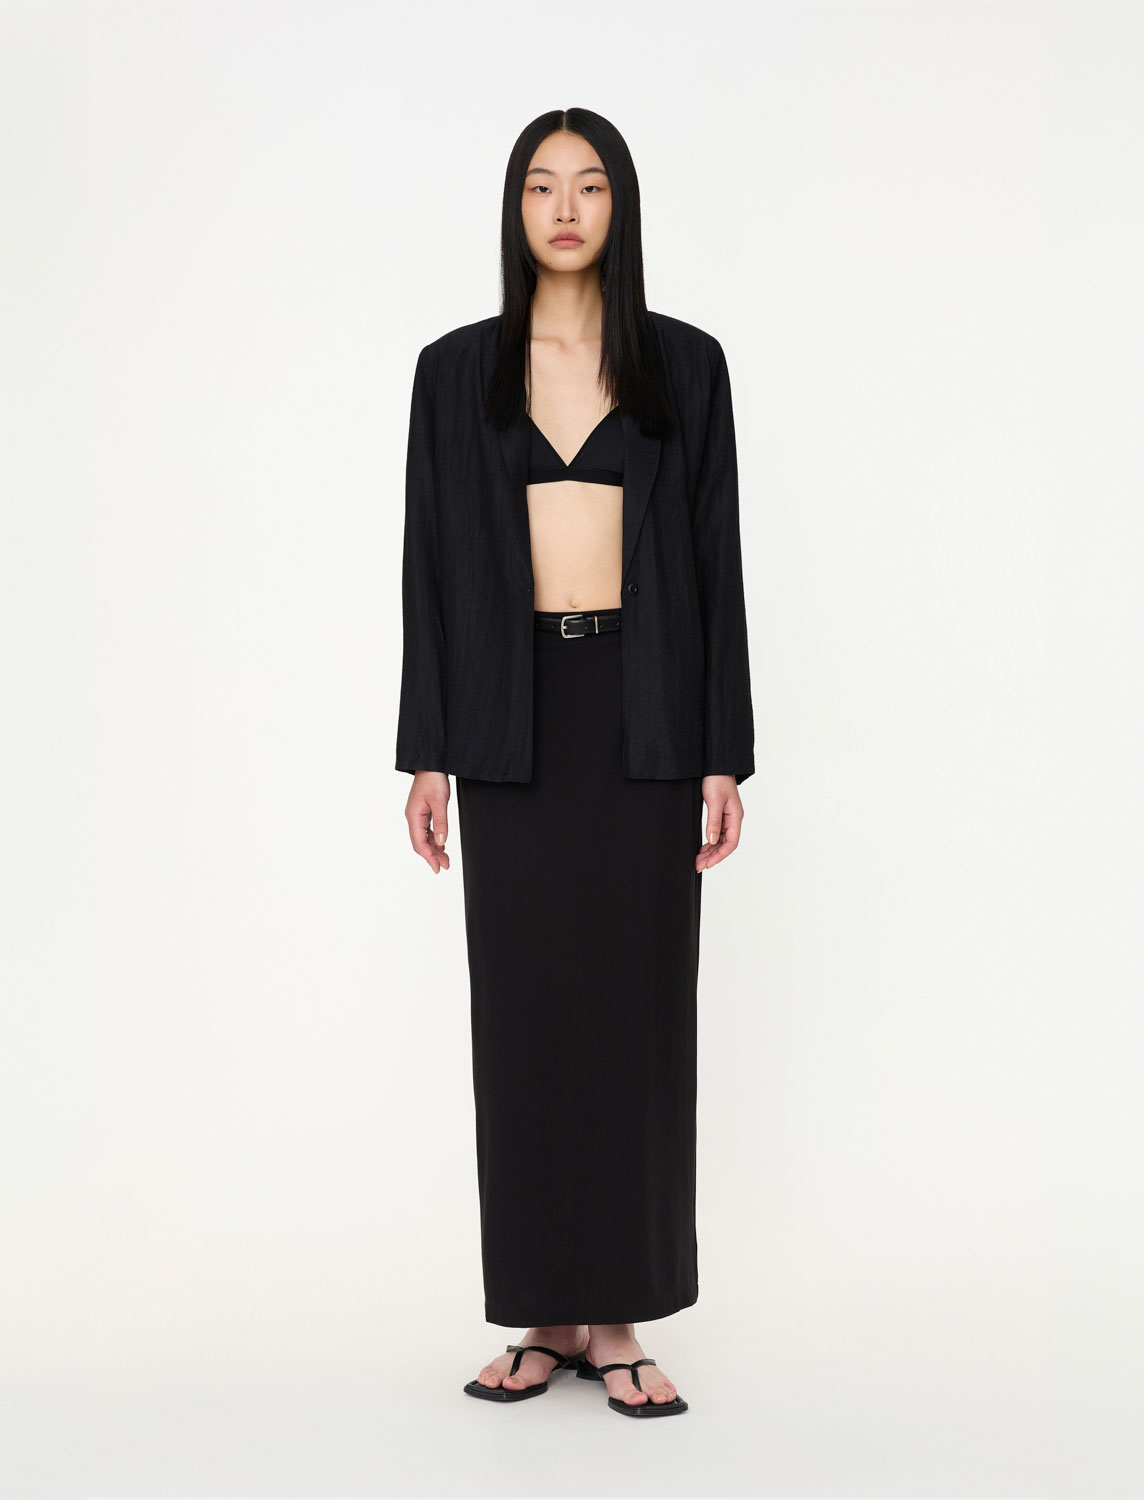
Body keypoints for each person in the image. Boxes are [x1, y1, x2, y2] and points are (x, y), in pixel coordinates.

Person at [396, 108, 755, 1419]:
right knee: (526, 1016)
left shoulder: (685, 366)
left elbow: (715, 560)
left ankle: (621, 1319)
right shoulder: (455, 372)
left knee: (637, 1016)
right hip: (511, 722)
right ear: (514, 207)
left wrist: (723, 753)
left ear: (620, 206)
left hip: (642, 715)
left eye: (589, 186)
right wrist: (427, 753)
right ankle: (544, 1314)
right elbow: (429, 567)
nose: (564, 208)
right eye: (542, 186)